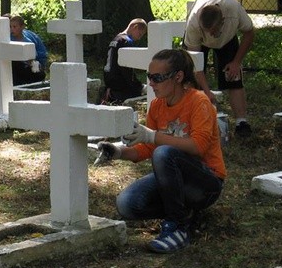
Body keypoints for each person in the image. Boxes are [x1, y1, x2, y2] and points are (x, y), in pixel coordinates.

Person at [97, 49, 226, 254]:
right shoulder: (157, 106)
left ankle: (178, 226)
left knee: (164, 152)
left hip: (205, 182)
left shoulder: (199, 102)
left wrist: (152, 136)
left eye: (157, 78)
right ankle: (185, 212)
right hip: (174, 178)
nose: (151, 83)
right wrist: (118, 151)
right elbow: (147, 149)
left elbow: (197, 147)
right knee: (127, 204)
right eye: (149, 77)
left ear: (178, 76)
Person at [184, 0, 255, 137]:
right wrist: (206, 91)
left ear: (223, 20)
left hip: (227, 40)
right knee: (191, 80)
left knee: (234, 78)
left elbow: (249, 32)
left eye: (214, 30)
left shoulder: (233, 10)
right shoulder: (193, 24)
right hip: (199, 44)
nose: (210, 34)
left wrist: (236, 62)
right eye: (207, 31)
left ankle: (241, 122)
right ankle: (193, 121)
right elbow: (196, 65)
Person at [101, 18, 148, 104]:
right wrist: (139, 86)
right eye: (140, 34)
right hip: (120, 83)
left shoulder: (116, 39)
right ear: (135, 27)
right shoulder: (126, 42)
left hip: (110, 81)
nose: (139, 38)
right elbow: (127, 69)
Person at [7, 14, 48, 85]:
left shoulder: (28, 42)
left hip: (26, 66)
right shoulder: (9, 39)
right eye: (10, 27)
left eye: (14, 27)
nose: (12, 29)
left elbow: (33, 59)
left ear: (22, 27)